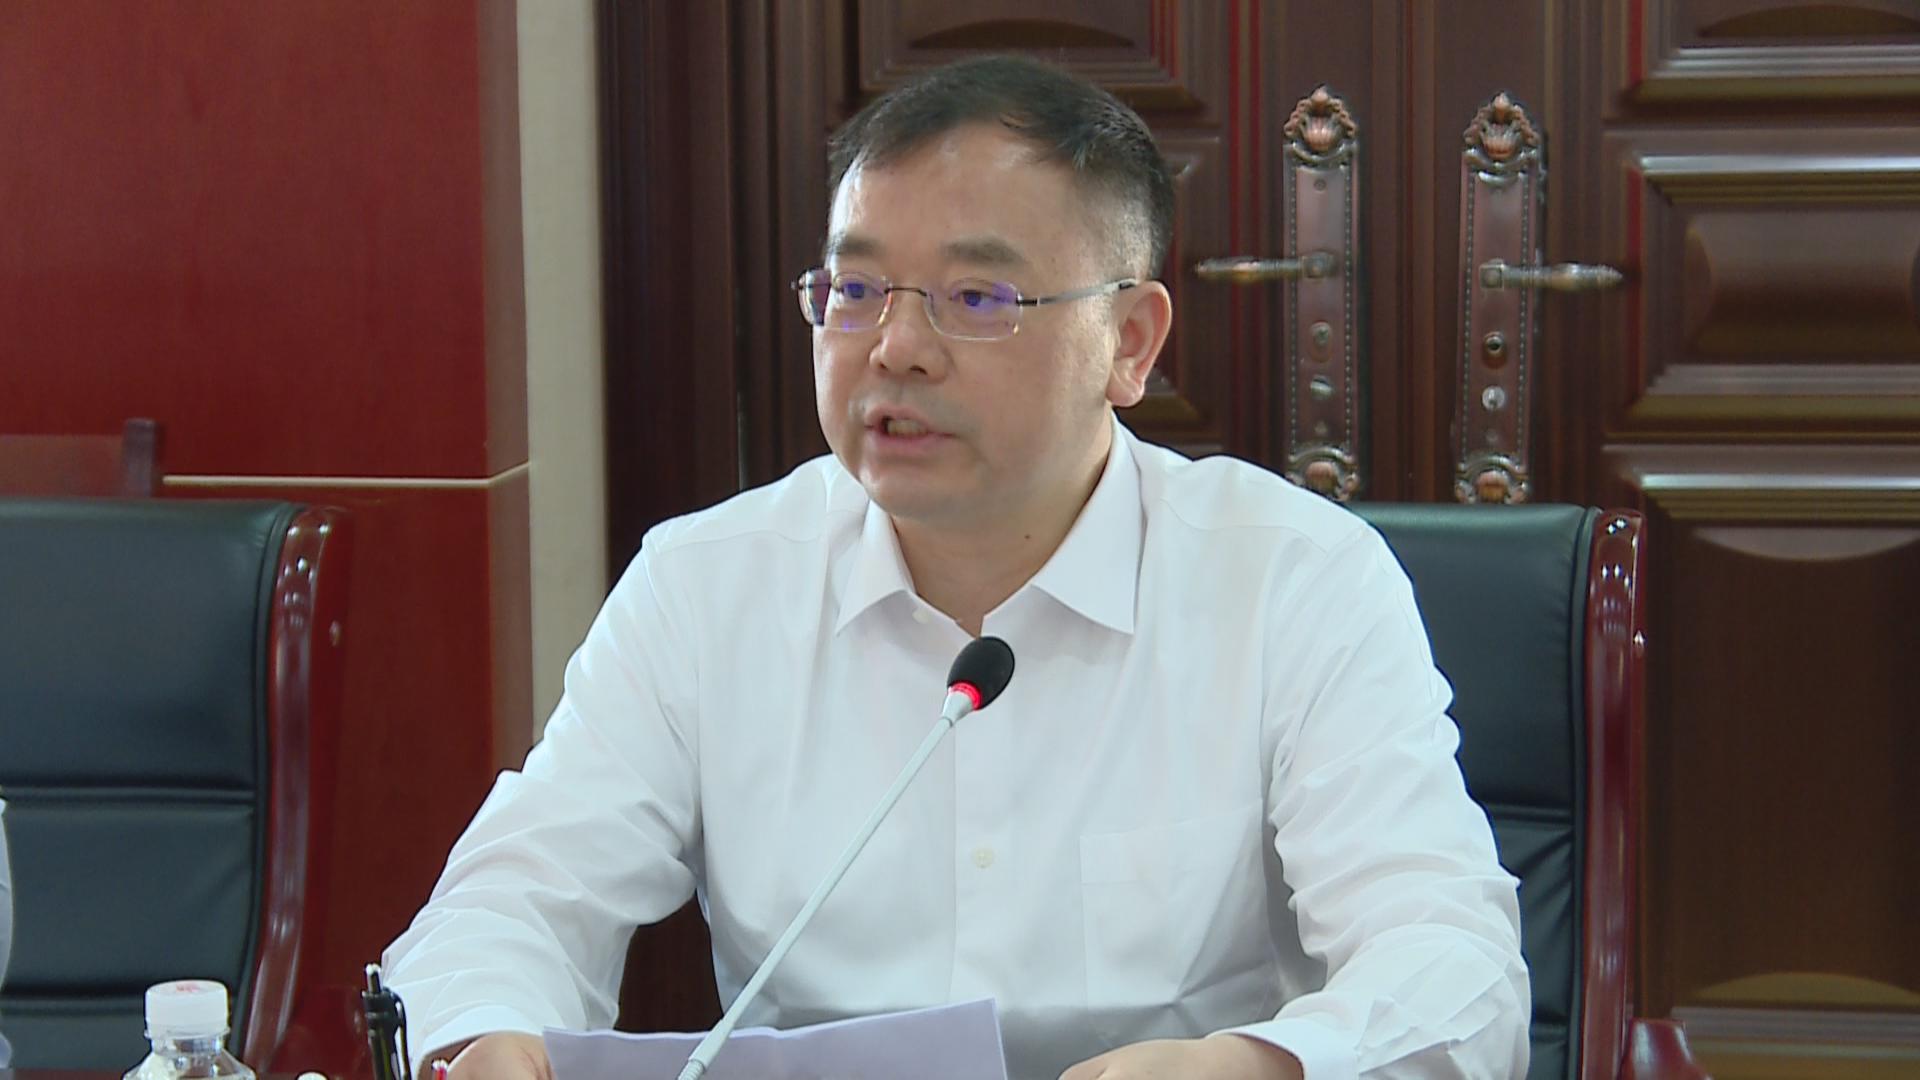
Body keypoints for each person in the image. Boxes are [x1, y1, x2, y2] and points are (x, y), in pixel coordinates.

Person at [384, 55, 1528, 1080]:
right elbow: (513, 898)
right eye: (854, 291)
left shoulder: (1294, 581)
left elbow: (1452, 965)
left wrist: (1256, 1066)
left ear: (1130, 343)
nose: (895, 348)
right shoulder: (707, 585)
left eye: (976, 299)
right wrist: (485, 1038)